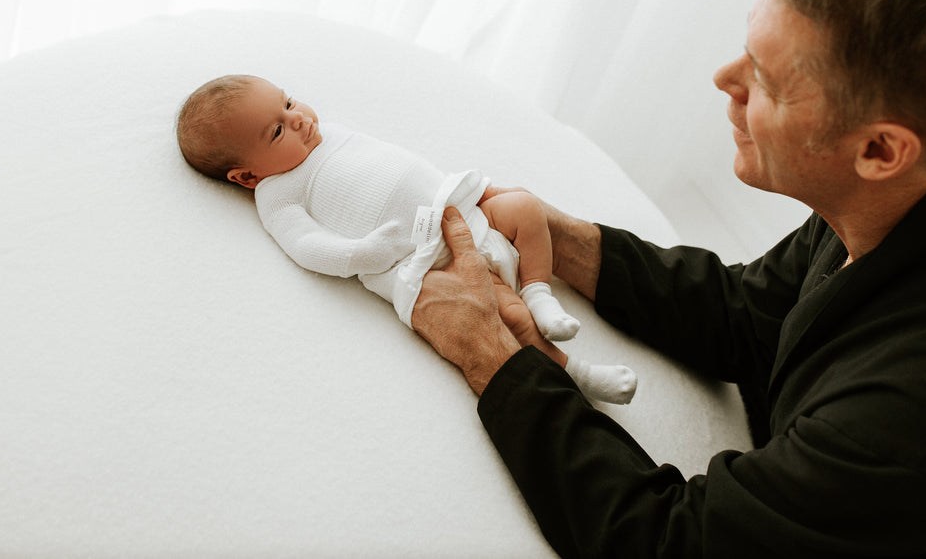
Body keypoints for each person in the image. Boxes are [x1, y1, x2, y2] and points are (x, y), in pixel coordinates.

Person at [410, 0, 926, 556]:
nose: (726, 79)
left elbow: (664, 542)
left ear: (880, 150)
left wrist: (489, 352)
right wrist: (562, 236)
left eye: (766, 81)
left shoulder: (917, 414)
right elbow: (753, 316)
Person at [176, 75, 637, 404]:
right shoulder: (277, 193)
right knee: (508, 315)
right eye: (277, 130)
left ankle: (540, 292)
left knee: (525, 207)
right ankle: (578, 374)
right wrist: (361, 254)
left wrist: (461, 192)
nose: (297, 120)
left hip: (457, 209)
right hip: (432, 260)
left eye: (289, 102)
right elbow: (306, 246)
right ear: (247, 176)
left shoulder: (328, 133)